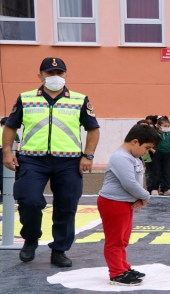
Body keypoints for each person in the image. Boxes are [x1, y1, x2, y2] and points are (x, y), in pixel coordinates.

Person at [3, 57, 100, 267]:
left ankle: (59, 250)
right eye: (50, 73)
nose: (55, 77)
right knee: (28, 201)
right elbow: (10, 126)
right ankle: (30, 239)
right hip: (32, 160)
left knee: (66, 206)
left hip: (69, 162)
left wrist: (88, 155)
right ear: (40, 76)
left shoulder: (79, 100)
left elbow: (93, 128)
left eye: (59, 73)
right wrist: (7, 152)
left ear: (65, 75)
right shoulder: (25, 98)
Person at [98, 124, 160, 286]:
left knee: (123, 239)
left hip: (123, 203)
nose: (146, 152)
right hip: (113, 203)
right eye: (146, 148)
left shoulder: (132, 157)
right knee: (115, 240)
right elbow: (129, 183)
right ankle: (117, 273)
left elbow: (134, 183)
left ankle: (123, 267)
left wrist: (138, 198)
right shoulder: (121, 157)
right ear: (135, 142)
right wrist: (145, 196)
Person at [149, 117, 170, 196]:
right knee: (156, 171)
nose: (167, 128)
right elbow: (149, 143)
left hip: (167, 154)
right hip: (157, 153)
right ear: (158, 126)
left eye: (168, 126)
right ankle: (154, 189)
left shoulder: (169, 134)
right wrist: (153, 151)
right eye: (165, 126)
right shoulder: (155, 134)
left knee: (167, 172)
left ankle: (167, 189)